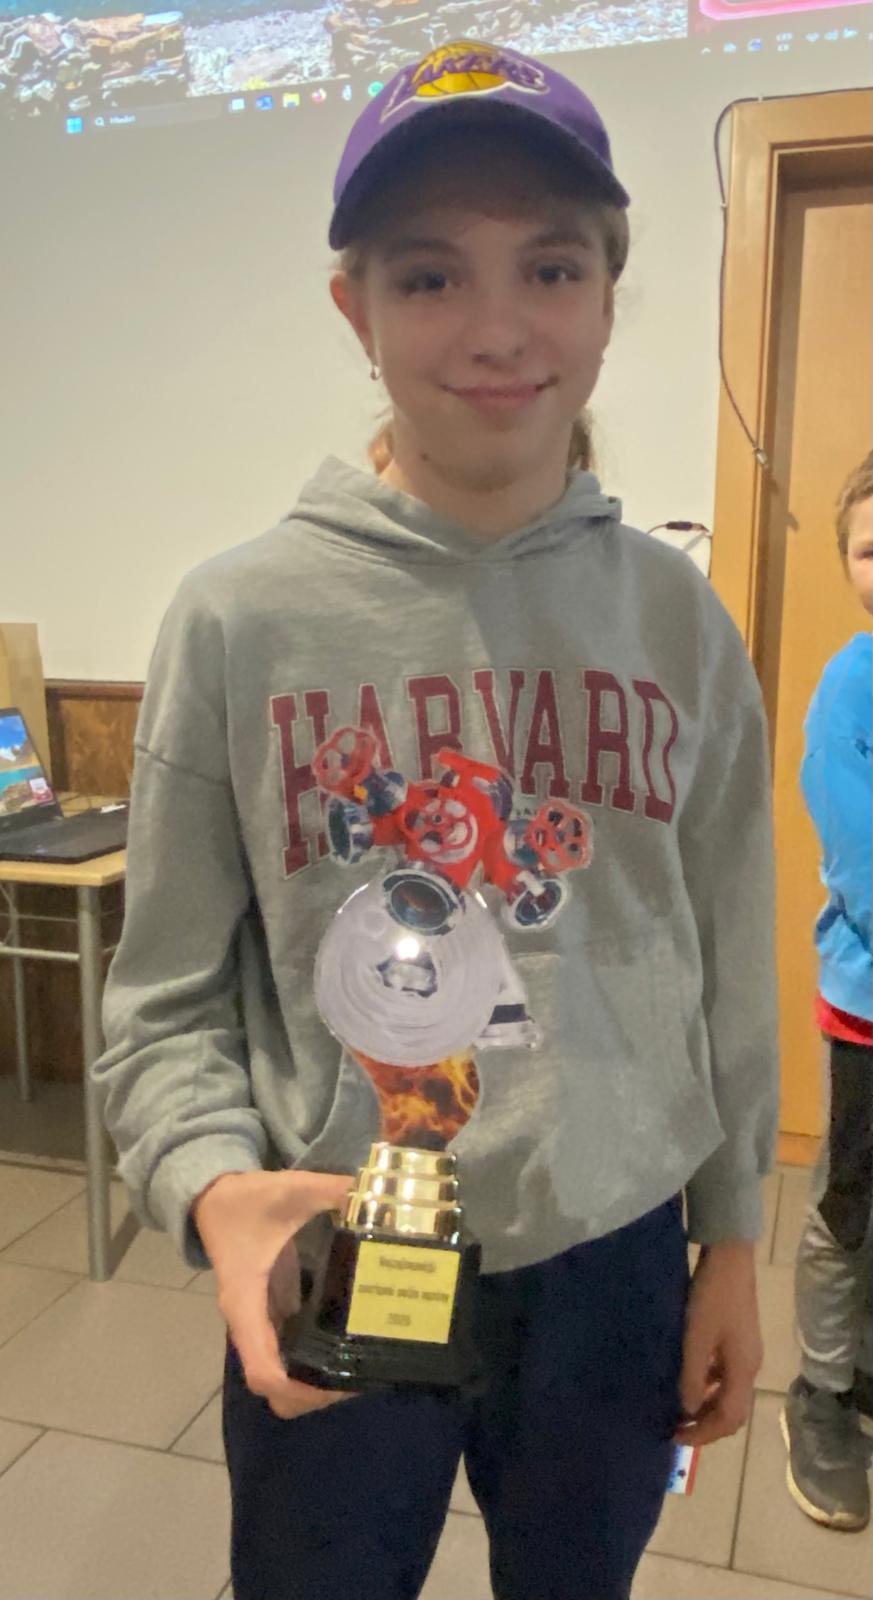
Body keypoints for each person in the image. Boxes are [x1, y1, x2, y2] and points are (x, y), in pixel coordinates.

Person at [94, 40, 779, 1600]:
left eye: (550, 266)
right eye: (427, 276)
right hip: (341, 1238)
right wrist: (215, 1188)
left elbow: (727, 955)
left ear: (608, 296)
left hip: (613, 1256)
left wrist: (731, 1233)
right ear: (356, 310)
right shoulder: (237, 620)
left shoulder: (677, 621)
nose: (495, 327)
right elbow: (164, 999)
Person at [782, 451, 873, 1532]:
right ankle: (821, 1389)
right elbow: (859, 853)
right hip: (867, 1009)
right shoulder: (852, 686)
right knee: (849, 1201)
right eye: (868, 549)